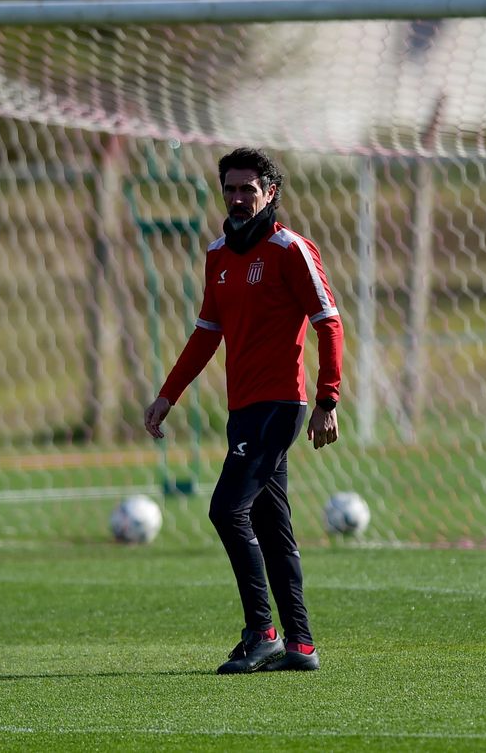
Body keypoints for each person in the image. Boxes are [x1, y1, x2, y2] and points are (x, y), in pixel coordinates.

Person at [143, 146, 343, 675]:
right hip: (242, 408)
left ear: (269, 193)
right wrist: (168, 395)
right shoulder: (218, 255)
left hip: (280, 404)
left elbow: (329, 322)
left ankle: (263, 631)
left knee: (226, 510)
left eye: (247, 189)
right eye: (229, 188)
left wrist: (328, 399)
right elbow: (206, 334)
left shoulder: (291, 250)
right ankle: (300, 644)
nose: (237, 198)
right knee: (270, 524)